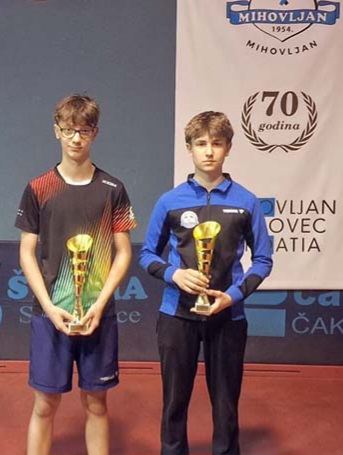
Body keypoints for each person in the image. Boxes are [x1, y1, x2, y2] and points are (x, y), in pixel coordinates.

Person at [139, 111, 273, 455]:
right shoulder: (170, 201)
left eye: (216, 143)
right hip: (176, 315)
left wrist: (232, 296)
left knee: (226, 405)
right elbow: (147, 255)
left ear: (228, 148)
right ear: (189, 148)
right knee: (174, 404)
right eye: (201, 143)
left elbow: (263, 260)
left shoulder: (246, 201)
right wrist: (175, 274)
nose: (209, 151)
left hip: (228, 317)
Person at [15, 94, 137, 455]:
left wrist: (99, 305)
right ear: (57, 131)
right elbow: (26, 253)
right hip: (50, 316)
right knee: (44, 405)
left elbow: (124, 251)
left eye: (84, 130)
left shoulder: (113, 189)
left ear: (95, 133)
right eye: (68, 130)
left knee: (97, 404)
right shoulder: (39, 188)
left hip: (99, 315)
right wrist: (49, 307)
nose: (76, 138)